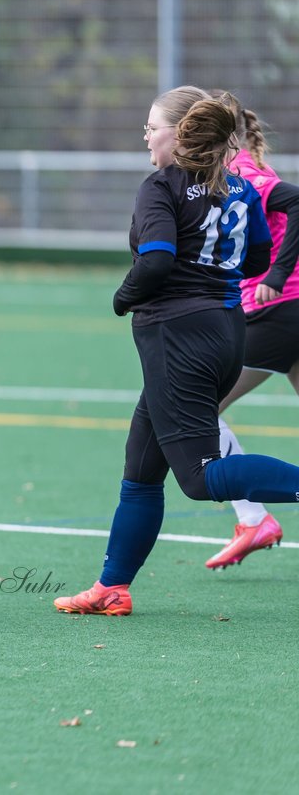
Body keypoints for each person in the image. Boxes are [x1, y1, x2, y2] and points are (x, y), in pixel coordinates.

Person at [55, 86, 299, 616]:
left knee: (198, 477)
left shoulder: (161, 186)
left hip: (178, 338)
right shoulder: (237, 187)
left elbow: (158, 261)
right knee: (142, 467)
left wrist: (123, 298)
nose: (146, 136)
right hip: (226, 334)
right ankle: (111, 587)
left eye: (151, 127)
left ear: (181, 132)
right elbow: (259, 252)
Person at [203, 91, 299, 569]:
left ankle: (253, 516)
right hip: (289, 310)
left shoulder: (241, 175)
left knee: (199, 409)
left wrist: (276, 278)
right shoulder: (242, 171)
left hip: (276, 311)